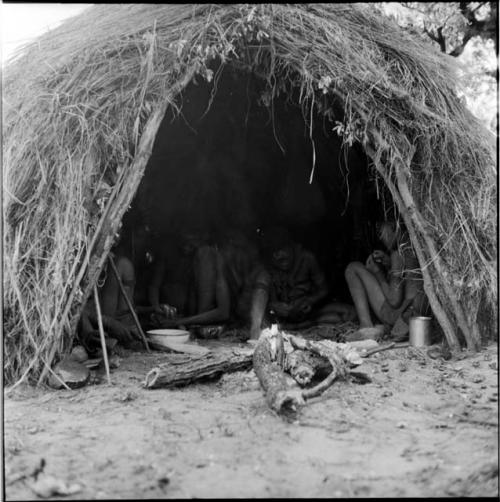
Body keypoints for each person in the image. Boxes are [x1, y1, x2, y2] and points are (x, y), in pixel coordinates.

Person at [248, 227, 340, 339]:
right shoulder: (267, 267)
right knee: (262, 279)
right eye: (274, 253)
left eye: (281, 250)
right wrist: (271, 306)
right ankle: (256, 332)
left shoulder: (307, 259)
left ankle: (299, 328)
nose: (278, 256)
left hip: (306, 317)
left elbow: (324, 289)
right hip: (278, 320)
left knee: (348, 314)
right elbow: (254, 297)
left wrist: (309, 301)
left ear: (291, 246)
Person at [344, 220, 428, 341]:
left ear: (393, 226)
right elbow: (408, 281)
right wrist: (389, 264)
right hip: (415, 315)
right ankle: (382, 328)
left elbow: (394, 300)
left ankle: (366, 326)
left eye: (381, 231)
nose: (381, 237)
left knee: (353, 268)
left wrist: (377, 272)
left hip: (400, 316)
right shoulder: (413, 246)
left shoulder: (397, 253)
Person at [148, 231, 231, 328]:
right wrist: (156, 308)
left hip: (200, 323)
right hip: (184, 319)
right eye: (184, 242)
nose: (187, 248)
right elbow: (154, 285)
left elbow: (222, 313)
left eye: (191, 244)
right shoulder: (186, 260)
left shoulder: (207, 257)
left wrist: (179, 322)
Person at [78, 230, 139, 352]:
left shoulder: (119, 265)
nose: (115, 239)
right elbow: (79, 308)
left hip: (120, 326)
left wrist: (112, 323)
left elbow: (114, 309)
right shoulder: (81, 266)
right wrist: (108, 322)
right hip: (100, 326)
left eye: (118, 235)